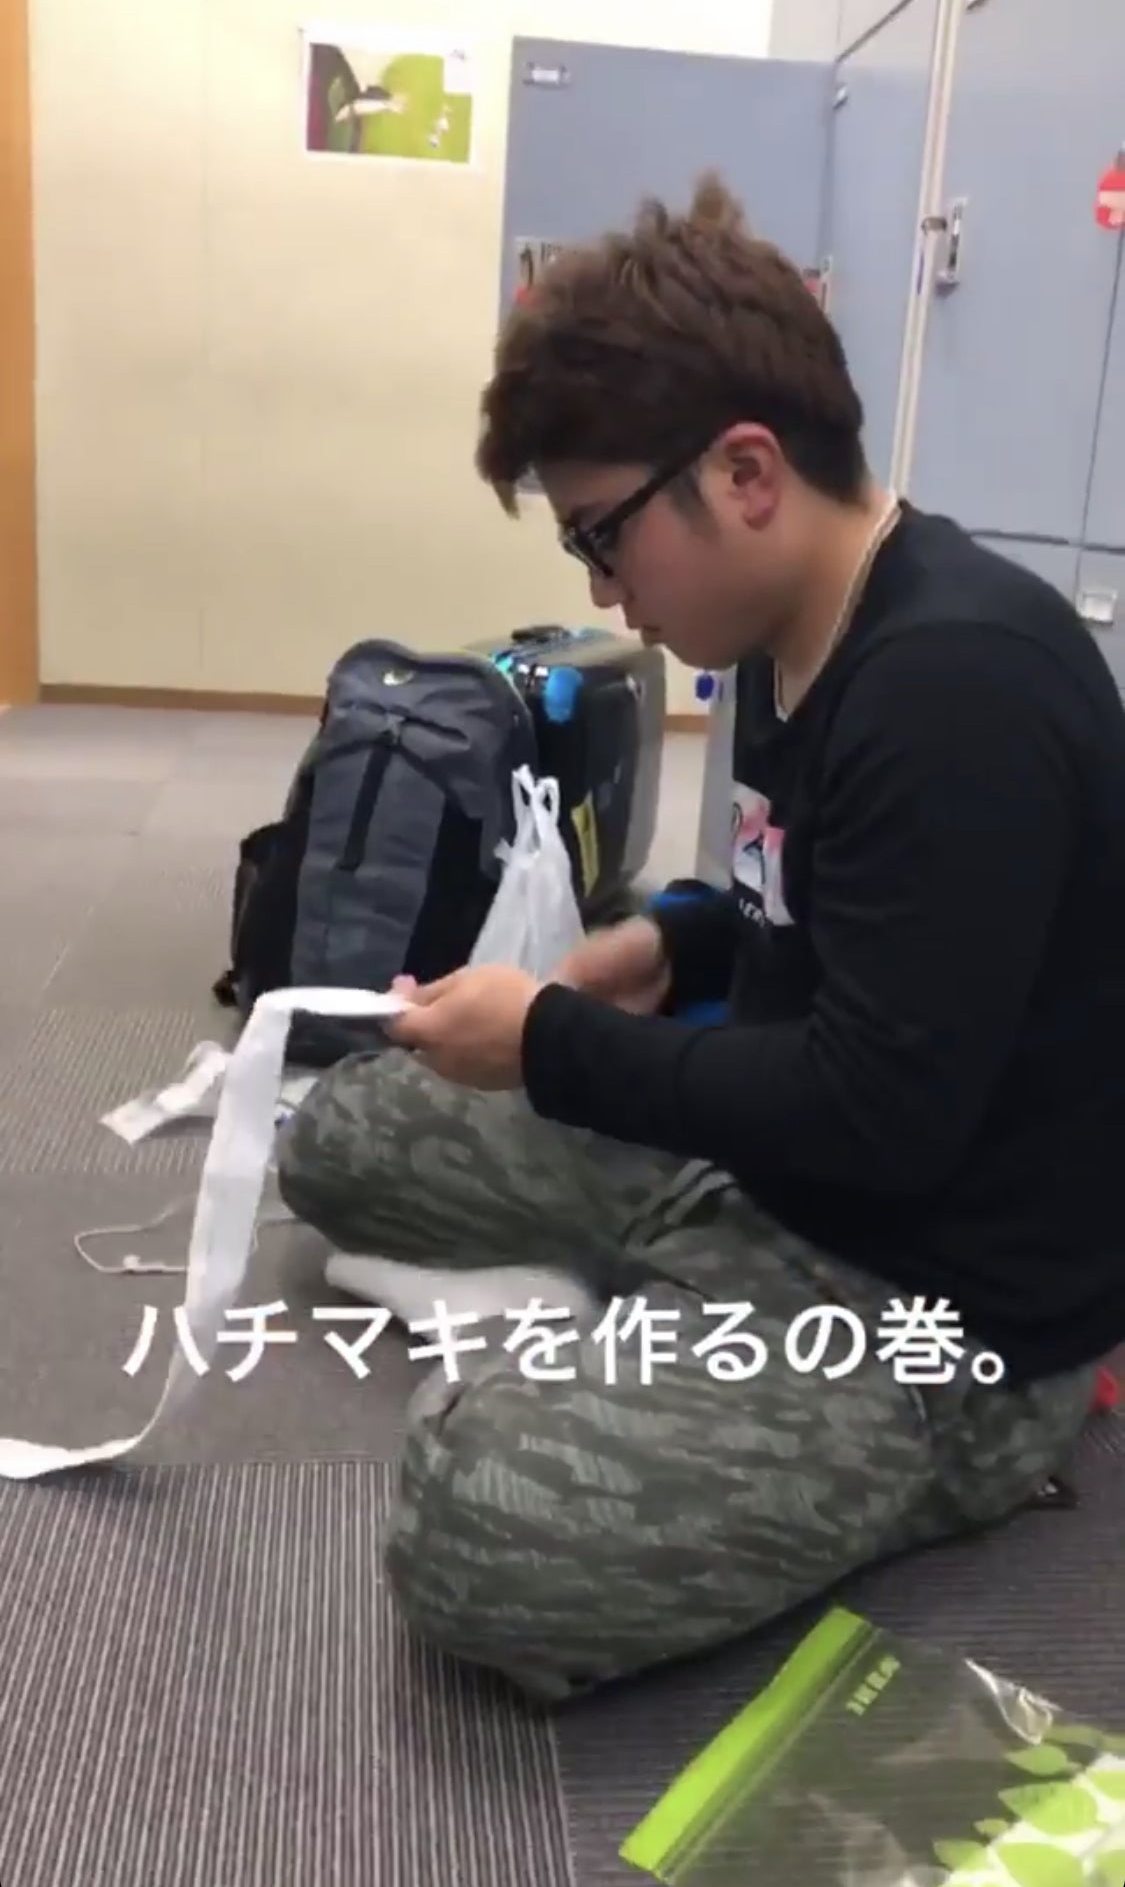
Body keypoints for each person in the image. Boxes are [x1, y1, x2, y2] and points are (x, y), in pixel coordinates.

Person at [277, 175, 1125, 1703]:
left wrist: (550, 1044)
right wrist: (666, 947)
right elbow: (799, 906)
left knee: (475, 1531)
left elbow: (882, 1115)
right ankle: (661, 1306)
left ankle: (794, 1401)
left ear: (744, 473)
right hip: (758, 1157)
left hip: (935, 1305)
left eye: (604, 538)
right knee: (338, 1135)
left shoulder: (959, 691)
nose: (605, 593)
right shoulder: (784, 631)